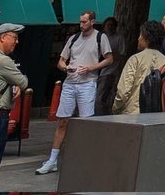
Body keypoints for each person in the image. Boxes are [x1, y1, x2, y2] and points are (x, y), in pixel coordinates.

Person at [36, 10, 112, 175]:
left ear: (92, 21)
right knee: (62, 121)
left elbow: (109, 59)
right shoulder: (73, 38)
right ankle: (52, 160)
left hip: (87, 83)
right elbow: (61, 61)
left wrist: (91, 68)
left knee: (86, 122)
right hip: (70, 82)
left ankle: (85, 159)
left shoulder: (100, 37)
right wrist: (65, 67)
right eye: (80, 22)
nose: (81, 24)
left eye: (84, 22)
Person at [112, 21, 165, 115]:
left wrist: (115, 108)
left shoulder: (135, 59)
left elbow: (123, 91)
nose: (138, 39)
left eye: (140, 35)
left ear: (147, 39)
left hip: (131, 113)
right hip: (155, 115)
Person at [0, 24, 27, 169]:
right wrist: (16, 84)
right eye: (14, 38)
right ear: (3, 37)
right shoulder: (3, 61)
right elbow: (22, 81)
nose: (17, 42)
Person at [95, 16, 125, 115]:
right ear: (104, 27)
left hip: (113, 71)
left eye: (112, 25)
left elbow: (122, 55)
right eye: (108, 25)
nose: (110, 27)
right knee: (100, 96)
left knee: (110, 95)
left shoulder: (119, 38)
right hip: (100, 71)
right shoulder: (100, 38)